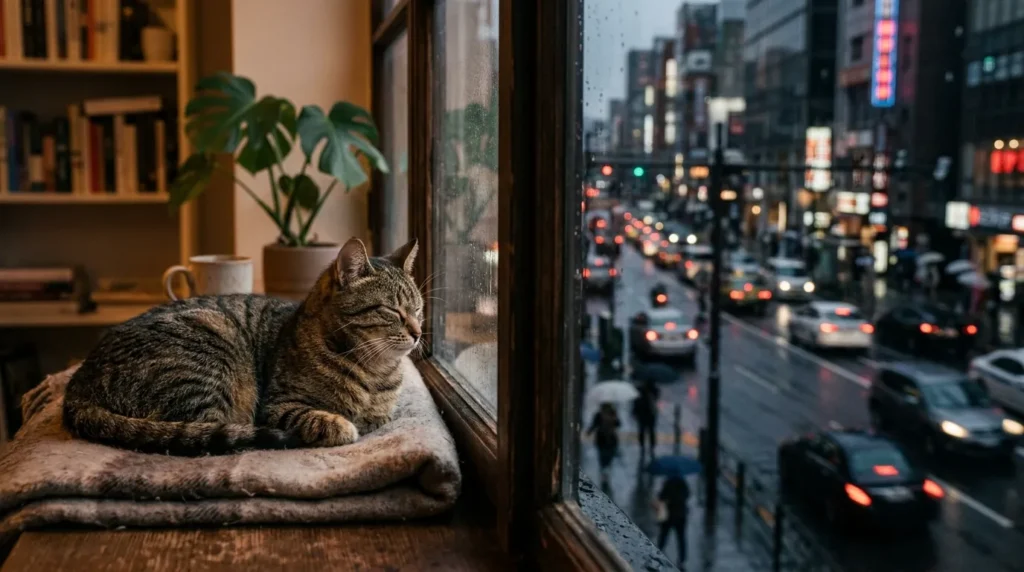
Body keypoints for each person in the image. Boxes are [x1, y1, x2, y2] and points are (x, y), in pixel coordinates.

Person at [656, 476, 691, 568]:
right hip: (681, 515)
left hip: (669, 515)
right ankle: (682, 560)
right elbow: (687, 494)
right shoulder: (683, 483)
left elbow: (662, 497)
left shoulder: (668, 483)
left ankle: (657, 553)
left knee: (663, 535)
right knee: (681, 538)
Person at [586, 402, 621, 486]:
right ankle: (605, 470)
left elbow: (594, 425)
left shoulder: (602, 414)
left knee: (604, 456)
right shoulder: (611, 413)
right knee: (607, 455)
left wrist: (589, 432)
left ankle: (604, 470)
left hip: (603, 439)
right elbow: (618, 424)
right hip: (609, 439)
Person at [631, 380, 660, 460]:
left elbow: (636, 401)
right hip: (646, 413)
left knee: (645, 430)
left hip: (645, 413)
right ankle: (647, 446)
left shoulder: (651, 390)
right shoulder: (647, 390)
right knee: (647, 430)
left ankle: (647, 446)